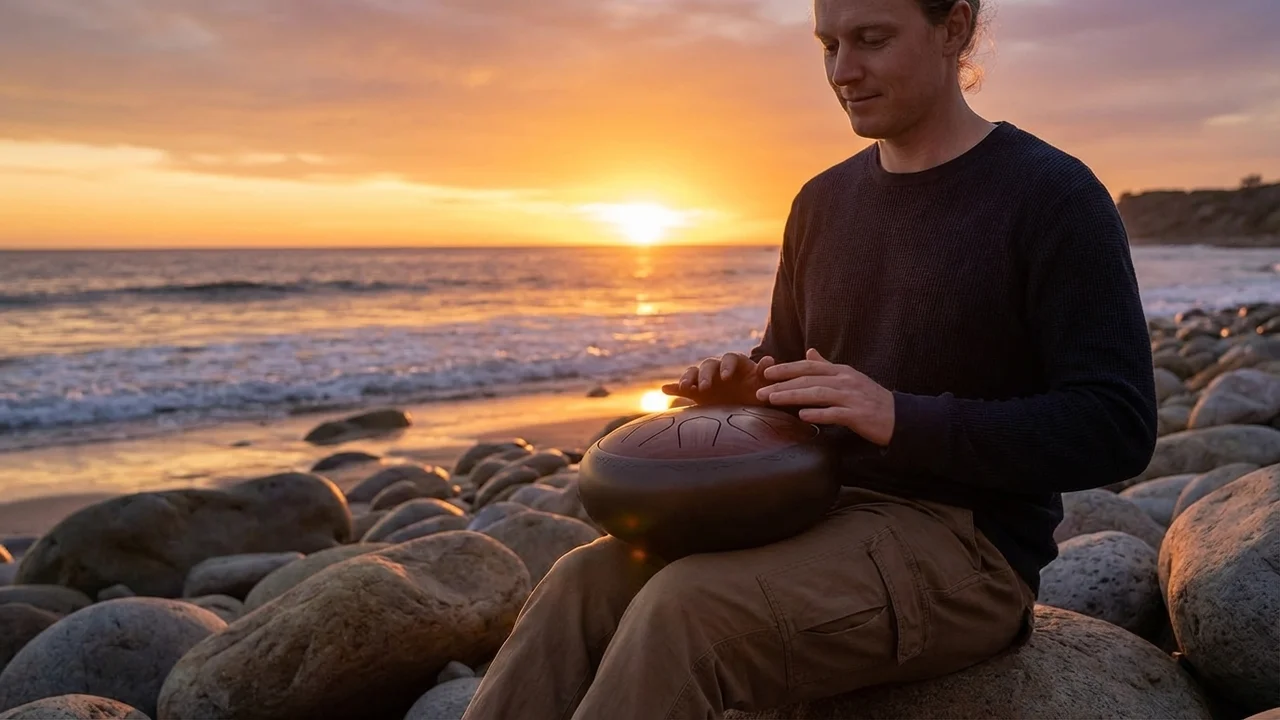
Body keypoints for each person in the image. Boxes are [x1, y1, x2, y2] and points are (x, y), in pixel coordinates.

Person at [462, 0, 1157, 716]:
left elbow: (1116, 424)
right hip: (810, 510)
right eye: (828, 44)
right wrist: (742, 394)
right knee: (581, 583)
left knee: (686, 610)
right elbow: (795, 370)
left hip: (966, 548)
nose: (842, 71)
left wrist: (899, 417)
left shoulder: (1052, 196)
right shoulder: (822, 202)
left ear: (954, 27)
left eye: (872, 40)